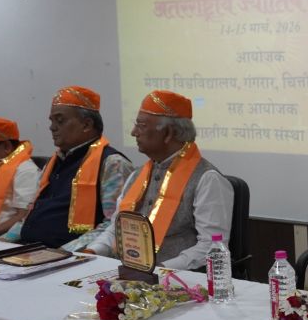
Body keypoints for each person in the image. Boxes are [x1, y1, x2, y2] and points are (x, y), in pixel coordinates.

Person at [85, 90, 233, 270]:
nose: (133, 132)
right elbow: (117, 228)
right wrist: (92, 251)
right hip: (127, 272)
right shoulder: (137, 175)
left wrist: (161, 269)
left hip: (177, 279)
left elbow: (212, 246)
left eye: (141, 125)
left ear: (168, 133)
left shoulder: (207, 179)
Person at [9, 86, 134, 251]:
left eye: (60, 121)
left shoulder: (112, 163)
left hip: (72, 256)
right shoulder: (54, 162)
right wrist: (3, 242)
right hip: (31, 250)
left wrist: (65, 252)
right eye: (51, 121)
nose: (52, 127)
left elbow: (114, 224)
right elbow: (30, 213)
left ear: (86, 125)